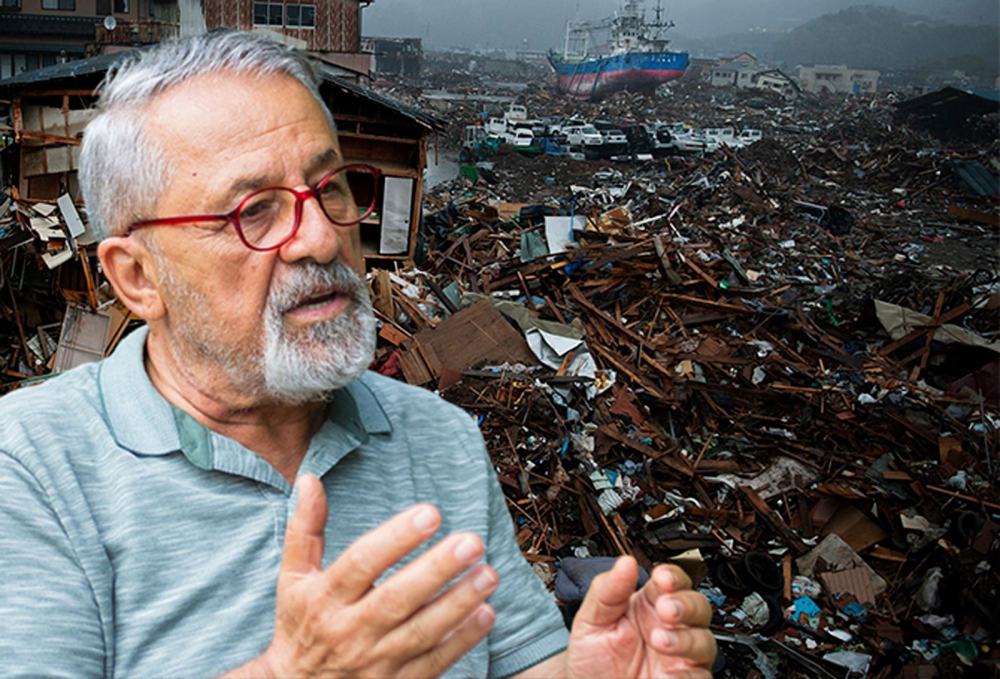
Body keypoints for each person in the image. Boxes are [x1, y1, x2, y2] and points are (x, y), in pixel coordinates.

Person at [0, 31, 716, 679]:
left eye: (330, 186)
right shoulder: (31, 465)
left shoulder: (441, 441)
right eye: (254, 210)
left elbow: (516, 660)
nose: (320, 237)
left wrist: (589, 672)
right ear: (137, 276)